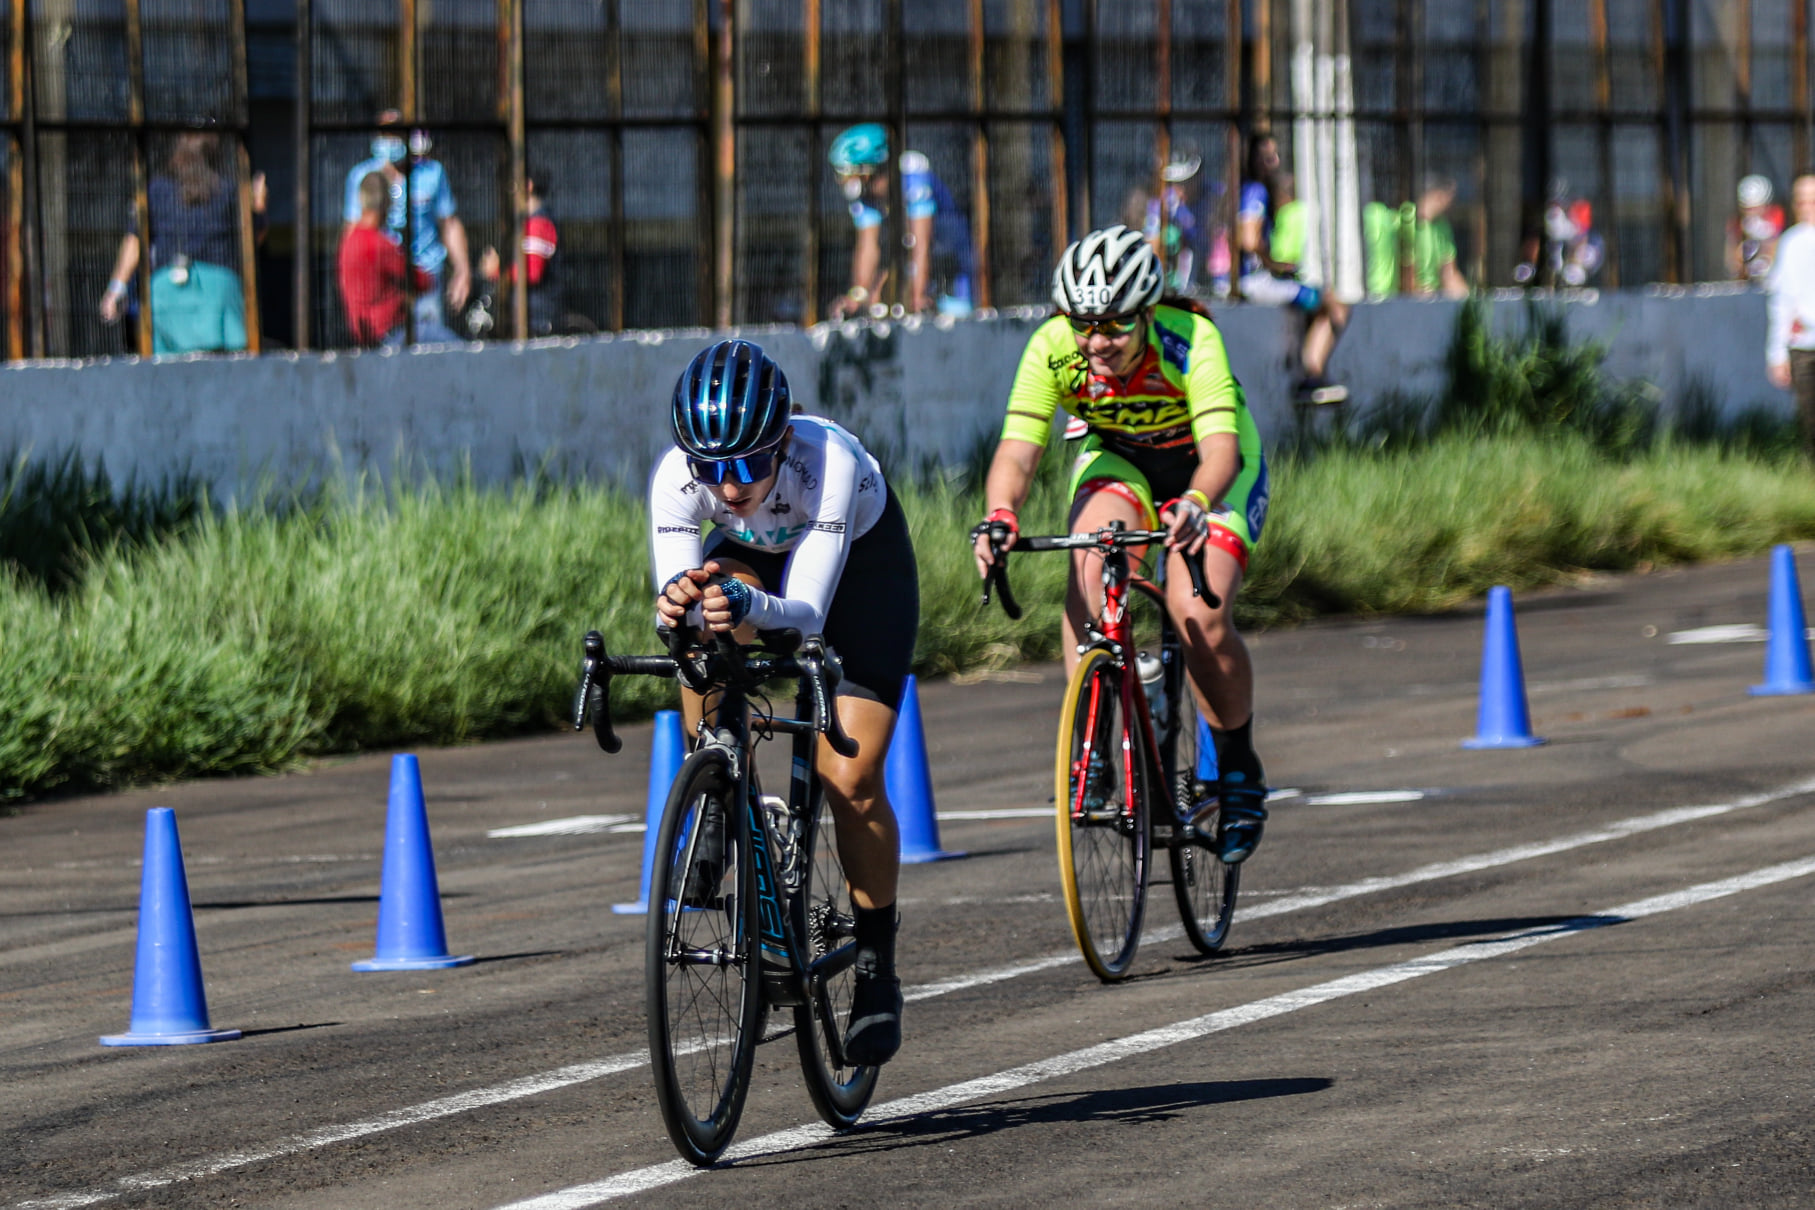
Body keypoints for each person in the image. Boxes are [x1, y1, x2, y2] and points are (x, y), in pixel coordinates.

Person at [651, 339, 918, 1064]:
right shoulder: (676, 479)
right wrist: (681, 607)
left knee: (850, 779)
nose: (729, 485)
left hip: (858, 577)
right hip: (754, 562)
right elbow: (672, 604)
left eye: (746, 465)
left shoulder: (825, 461)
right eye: (712, 468)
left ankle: (874, 970)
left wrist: (745, 601)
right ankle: (716, 793)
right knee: (703, 619)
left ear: (781, 441)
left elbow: (804, 609)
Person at [972, 226, 1270, 865]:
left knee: (1199, 612)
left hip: (1209, 468)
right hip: (1122, 460)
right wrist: (1000, 515)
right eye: (1084, 324)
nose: (1096, 341)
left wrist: (1193, 504)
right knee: (1088, 564)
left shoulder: (1190, 339)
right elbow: (1019, 448)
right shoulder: (1055, 347)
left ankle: (1240, 772)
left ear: (1147, 311)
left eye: (1113, 326)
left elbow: (1220, 450)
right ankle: (1091, 740)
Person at [98, 130, 267, 354]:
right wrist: (259, 204)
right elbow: (253, 238)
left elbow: (135, 241)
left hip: (164, 294)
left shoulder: (156, 191)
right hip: (220, 293)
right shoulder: (229, 191)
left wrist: (116, 288)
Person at [341, 110, 470, 344]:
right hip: (385, 288)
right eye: (385, 134)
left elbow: (449, 223)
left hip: (425, 279)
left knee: (434, 352)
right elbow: (353, 233)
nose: (391, 141)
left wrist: (463, 270)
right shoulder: (363, 177)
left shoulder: (431, 173)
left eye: (396, 134)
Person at [1236, 134, 1348, 404]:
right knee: (1335, 304)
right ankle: (1312, 377)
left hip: (1250, 278)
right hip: (1254, 281)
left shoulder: (1238, 189)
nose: (1274, 162)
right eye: (1267, 156)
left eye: (1275, 155)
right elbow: (1250, 240)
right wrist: (1274, 265)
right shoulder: (1255, 191)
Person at [826, 123, 974, 319]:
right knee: (878, 298)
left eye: (850, 175)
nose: (846, 184)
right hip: (915, 255)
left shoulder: (914, 176)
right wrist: (858, 295)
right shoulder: (866, 194)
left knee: (951, 310)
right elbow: (868, 247)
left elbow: (921, 244)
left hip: (956, 261)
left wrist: (917, 297)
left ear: (870, 171)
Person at [476, 167, 583, 338]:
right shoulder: (529, 223)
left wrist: (497, 271)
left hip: (538, 321)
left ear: (528, 186)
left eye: (512, 184)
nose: (508, 190)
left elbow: (532, 273)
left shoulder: (538, 223)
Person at [339, 171, 434, 347]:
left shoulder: (349, 242)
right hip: (392, 334)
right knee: (453, 344)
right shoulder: (382, 245)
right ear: (387, 203)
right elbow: (422, 281)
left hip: (364, 338)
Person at [1766, 174, 1815, 458]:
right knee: (1810, 422)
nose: (1807, 206)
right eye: (1802, 200)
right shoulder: (1791, 243)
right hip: (1803, 346)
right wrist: (1776, 354)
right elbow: (1780, 301)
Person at [1362, 175, 1470, 300]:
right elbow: (1406, 272)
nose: (1453, 205)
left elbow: (1449, 272)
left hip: (1432, 298)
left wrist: (1470, 302)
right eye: (1451, 199)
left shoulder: (1443, 227)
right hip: (1403, 299)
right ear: (1439, 196)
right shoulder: (1407, 217)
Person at [1727, 174, 1786, 284]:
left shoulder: (1776, 221)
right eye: (1747, 209)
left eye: (1755, 208)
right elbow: (1733, 264)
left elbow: (1776, 255)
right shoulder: (1737, 226)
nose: (1751, 213)